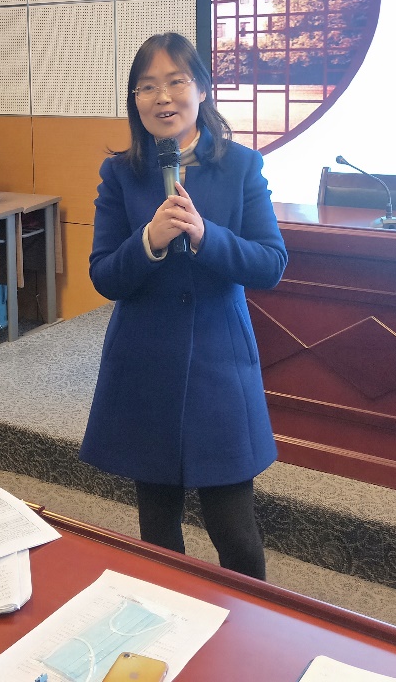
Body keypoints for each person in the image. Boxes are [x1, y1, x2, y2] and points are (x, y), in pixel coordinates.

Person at [79, 32, 288, 580]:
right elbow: (104, 276)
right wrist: (148, 241)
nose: (163, 97)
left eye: (176, 82)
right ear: (135, 100)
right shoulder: (121, 173)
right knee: (157, 527)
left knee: (235, 531)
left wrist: (204, 236)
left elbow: (270, 264)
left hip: (220, 363)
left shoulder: (241, 166)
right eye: (147, 86)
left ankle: (249, 625)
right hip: (146, 361)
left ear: (201, 90)